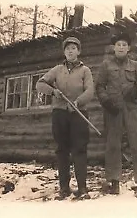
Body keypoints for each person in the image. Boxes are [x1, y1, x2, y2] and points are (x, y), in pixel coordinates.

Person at [95, 32, 137, 195]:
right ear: (114, 48)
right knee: (113, 145)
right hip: (113, 109)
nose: (121, 47)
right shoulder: (106, 65)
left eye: (124, 45)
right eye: (118, 45)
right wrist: (106, 101)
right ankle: (113, 181)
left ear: (128, 48)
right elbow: (99, 86)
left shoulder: (135, 65)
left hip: (133, 108)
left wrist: (136, 92)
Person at [36, 36, 94, 200]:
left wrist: (78, 101)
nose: (70, 51)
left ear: (78, 51)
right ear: (64, 52)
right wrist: (53, 91)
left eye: (73, 48)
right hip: (60, 113)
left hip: (79, 114)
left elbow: (90, 91)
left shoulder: (85, 71)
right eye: (67, 48)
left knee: (80, 150)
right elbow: (40, 84)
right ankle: (64, 188)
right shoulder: (57, 70)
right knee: (62, 150)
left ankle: (82, 188)